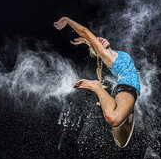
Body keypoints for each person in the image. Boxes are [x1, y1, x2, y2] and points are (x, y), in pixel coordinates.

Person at [54, 17, 141, 148]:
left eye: (99, 38)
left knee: (121, 142)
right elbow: (84, 31)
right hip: (127, 88)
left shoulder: (116, 53)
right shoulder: (105, 54)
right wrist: (67, 20)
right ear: (98, 50)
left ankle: (107, 100)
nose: (99, 40)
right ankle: (96, 87)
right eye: (97, 42)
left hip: (127, 90)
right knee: (113, 118)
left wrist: (86, 41)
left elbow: (88, 38)